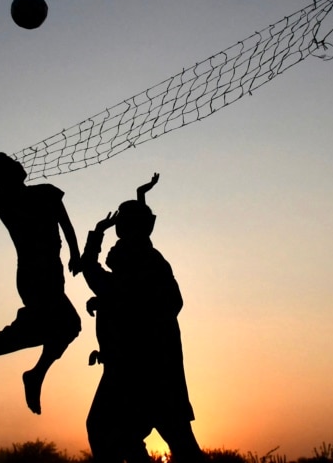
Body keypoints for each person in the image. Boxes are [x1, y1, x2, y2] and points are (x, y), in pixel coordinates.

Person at [0, 125, 81, 415]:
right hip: (34, 276)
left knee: (58, 328)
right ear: (4, 179)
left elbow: (66, 225)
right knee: (65, 326)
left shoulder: (46, 193)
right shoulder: (2, 201)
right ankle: (6, 365)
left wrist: (75, 253)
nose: (18, 164)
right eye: (9, 164)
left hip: (51, 273)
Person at [80, 176, 205, 463]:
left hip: (138, 373)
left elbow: (96, 275)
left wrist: (96, 235)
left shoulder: (139, 262)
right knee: (147, 437)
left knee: (104, 430)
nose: (119, 236)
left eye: (124, 225)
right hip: (151, 371)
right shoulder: (145, 260)